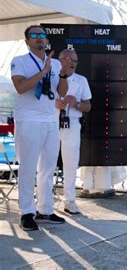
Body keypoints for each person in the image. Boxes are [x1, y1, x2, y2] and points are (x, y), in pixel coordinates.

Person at [10, 25, 73, 231]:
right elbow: (20, 87)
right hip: (28, 119)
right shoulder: (19, 62)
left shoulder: (55, 63)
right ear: (27, 41)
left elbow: (61, 92)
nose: (39, 39)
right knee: (28, 167)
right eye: (34, 36)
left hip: (50, 120)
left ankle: (45, 209)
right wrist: (43, 72)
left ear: (46, 41)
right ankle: (26, 212)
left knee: (48, 167)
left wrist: (62, 75)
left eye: (42, 35)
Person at [55, 49, 91, 214]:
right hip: (51, 123)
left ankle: (69, 200)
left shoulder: (81, 80)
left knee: (71, 163)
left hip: (72, 124)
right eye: (68, 59)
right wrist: (55, 104)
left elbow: (88, 106)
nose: (72, 63)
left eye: (75, 61)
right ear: (60, 60)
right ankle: (44, 201)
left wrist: (76, 104)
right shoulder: (51, 76)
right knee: (46, 162)